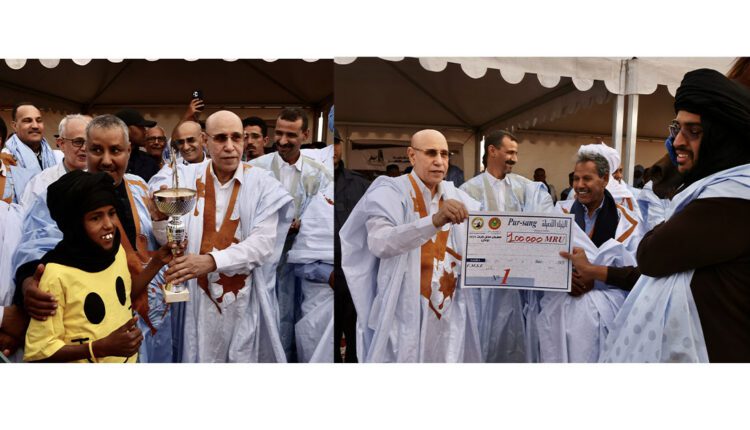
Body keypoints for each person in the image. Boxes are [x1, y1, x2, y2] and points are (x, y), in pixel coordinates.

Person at [602, 68, 750, 363]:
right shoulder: (713, 191)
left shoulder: (734, 198)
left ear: (723, 139)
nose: (678, 142)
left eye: (693, 132)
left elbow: (651, 255)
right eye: (676, 128)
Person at [13, 114, 175, 363]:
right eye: (97, 150)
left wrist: (163, 224)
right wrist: (28, 284)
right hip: (92, 331)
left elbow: (152, 243)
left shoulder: (141, 187)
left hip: (150, 316)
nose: (107, 160)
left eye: (116, 150)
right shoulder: (65, 194)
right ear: (86, 151)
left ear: (129, 150)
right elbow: (36, 246)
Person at [150, 110, 294, 362]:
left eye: (236, 137)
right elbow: (169, 242)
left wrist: (210, 261)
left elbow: (263, 245)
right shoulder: (184, 177)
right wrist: (161, 220)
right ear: (205, 140)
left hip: (244, 300)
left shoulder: (263, 184)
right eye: (220, 138)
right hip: (194, 300)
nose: (229, 146)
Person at [340, 129, 482, 362]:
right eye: (431, 153)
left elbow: (487, 240)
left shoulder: (459, 197)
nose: (439, 161)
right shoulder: (390, 191)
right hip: (402, 310)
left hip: (447, 313)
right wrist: (433, 221)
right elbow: (380, 242)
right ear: (412, 155)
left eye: (445, 154)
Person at [535, 151, 645, 362]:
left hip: (609, 316)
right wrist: (563, 279)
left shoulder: (628, 222)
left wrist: (595, 277)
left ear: (604, 179)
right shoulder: (558, 214)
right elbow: (540, 260)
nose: (579, 185)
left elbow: (636, 272)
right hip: (562, 316)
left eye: (587, 178)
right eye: (576, 179)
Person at [460, 130, 553, 362]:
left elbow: (543, 223)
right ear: (492, 151)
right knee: (483, 339)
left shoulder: (527, 188)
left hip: (518, 285)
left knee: (516, 341)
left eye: (516, 153)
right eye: (510, 152)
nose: (515, 159)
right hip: (482, 286)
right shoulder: (468, 191)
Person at [249, 107, 332, 362]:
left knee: (295, 318)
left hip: (300, 263)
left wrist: (302, 225)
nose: (283, 141)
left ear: (305, 135)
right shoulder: (254, 169)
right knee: (261, 317)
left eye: (291, 135)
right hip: (261, 260)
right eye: (279, 133)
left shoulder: (320, 175)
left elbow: (325, 220)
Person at [332, 128, 369, 362]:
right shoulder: (314, 182)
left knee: (356, 338)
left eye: (336, 143)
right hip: (322, 275)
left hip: (354, 276)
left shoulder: (361, 185)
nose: (333, 149)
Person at [20, 114, 91, 210]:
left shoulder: (102, 179)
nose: (84, 148)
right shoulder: (41, 183)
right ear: (61, 144)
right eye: (78, 142)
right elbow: (25, 216)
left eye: (89, 142)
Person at [1, 103, 62, 174]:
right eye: (27, 121)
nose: (35, 126)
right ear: (15, 126)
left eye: (39, 120)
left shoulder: (59, 157)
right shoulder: (4, 159)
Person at [115, 109, 161, 182]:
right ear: (126, 129)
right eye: (141, 127)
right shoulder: (110, 160)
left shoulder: (149, 163)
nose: (145, 131)